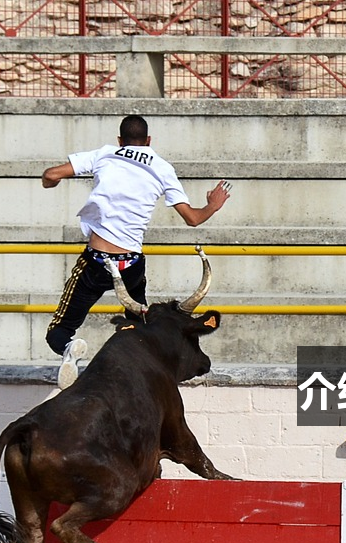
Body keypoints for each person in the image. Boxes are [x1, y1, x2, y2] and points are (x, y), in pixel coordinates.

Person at [41, 114, 231, 388]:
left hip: (96, 261)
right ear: (149, 141)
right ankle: (148, 369)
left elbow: (51, 174)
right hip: (130, 265)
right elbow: (193, 218)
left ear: (120, 140)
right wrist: (213, 204)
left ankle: (69, 348)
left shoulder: (106, 154)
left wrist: (51, 183)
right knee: (139, 328)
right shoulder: (162, 168)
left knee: (58, 331)